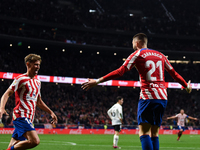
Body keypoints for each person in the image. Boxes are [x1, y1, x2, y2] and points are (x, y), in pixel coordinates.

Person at [81, 33, 192, 150]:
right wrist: (186, 86)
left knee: (144, 132)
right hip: (163, 97)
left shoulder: (137, 54)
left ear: (137, 42)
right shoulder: (161, 55)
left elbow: (120, 71)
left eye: (132, 42)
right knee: (154, 133)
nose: (132, 45)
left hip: (148, 97)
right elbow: (174, 74)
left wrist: (98, 81)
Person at [0, 54, 58, 150]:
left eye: (39, 65)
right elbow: (6, 94)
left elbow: (38, 102)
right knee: (35, 141)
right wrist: (2, 108)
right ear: (28, 64)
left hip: (29, 118)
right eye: (35, 64)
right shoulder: (20, 79)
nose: (38, 67)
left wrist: (51, 112)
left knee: (13, 145)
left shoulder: (37, 82)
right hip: (21, 116)